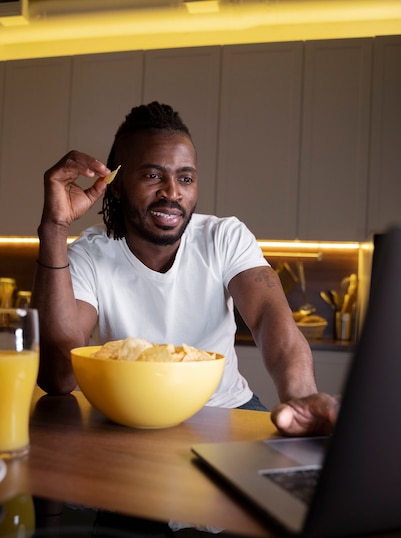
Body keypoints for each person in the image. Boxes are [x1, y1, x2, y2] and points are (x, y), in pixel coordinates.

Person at [31, 101, 338, 436]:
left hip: (225, 408)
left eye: (186, 178)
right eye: (152, 175)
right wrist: (54, 229)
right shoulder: (89, 256)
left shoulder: (224, 237)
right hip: (130, 418)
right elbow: (58, 377)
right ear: (116, 186)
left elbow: (269, 317)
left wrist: (303, 397)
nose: (173, 192)